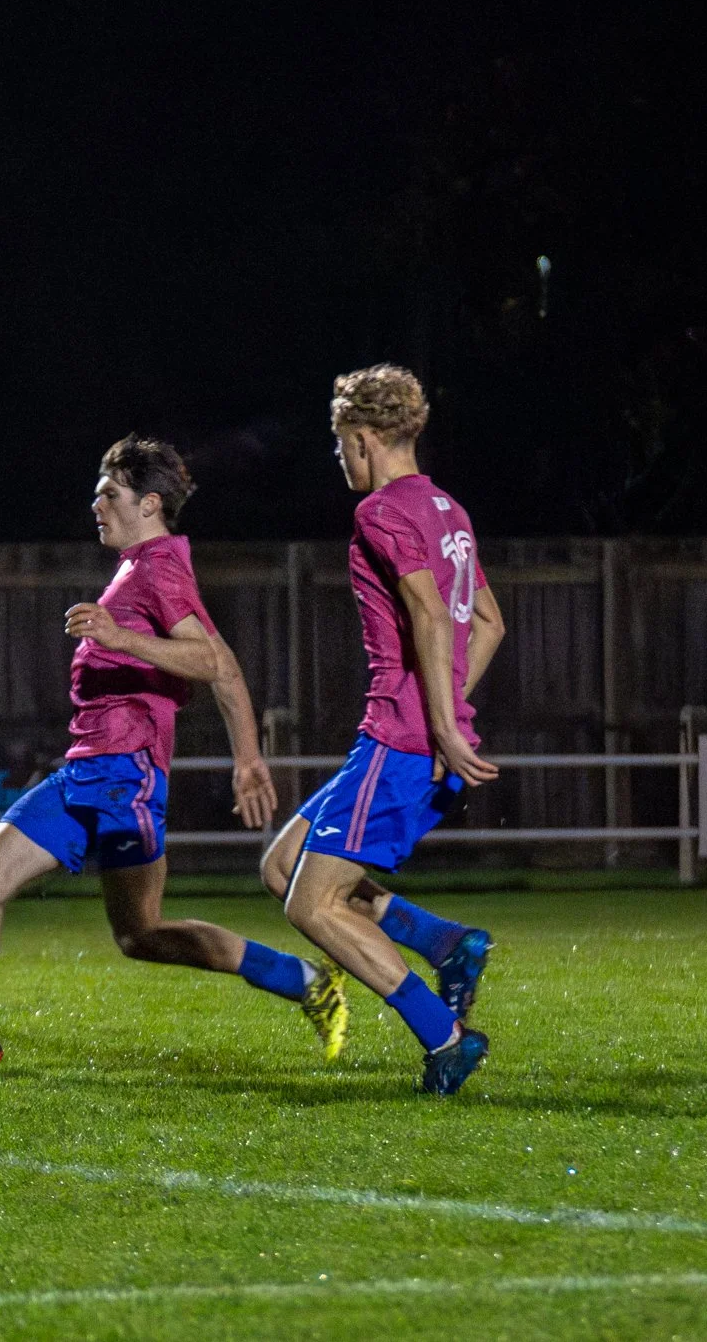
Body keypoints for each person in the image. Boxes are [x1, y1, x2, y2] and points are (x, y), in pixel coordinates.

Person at [0, 436, 350, 1061]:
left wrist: (120, 637)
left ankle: (305, 981)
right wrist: (248, 756)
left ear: (149, 503)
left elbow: (209, 660)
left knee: (142, 932)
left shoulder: (159, 567)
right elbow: (223, 669)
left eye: (109, 492)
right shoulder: (135, 568)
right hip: (83, 773)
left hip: (127, 776)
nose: (95, 503)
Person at [265, 365, 506, 1095]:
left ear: (365, 438)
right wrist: (452, 715)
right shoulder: (448, 508)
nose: (338, 458)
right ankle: (446, 942)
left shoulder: (379, 511)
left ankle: (445, 1037)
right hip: (415, 735)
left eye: (340, 443)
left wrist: (436, 724)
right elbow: (490, 623)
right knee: (282, 866)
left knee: (311, 903)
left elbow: (433, 614)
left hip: (399, 740)